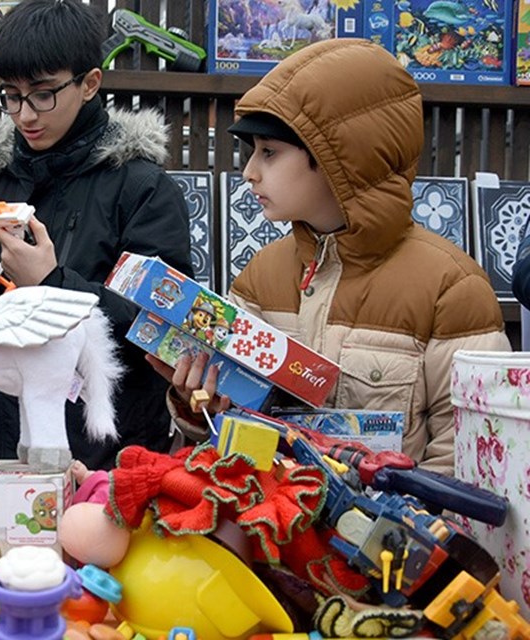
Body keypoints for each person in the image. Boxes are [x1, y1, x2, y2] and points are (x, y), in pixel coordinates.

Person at [152, 39, 511, 475]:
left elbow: (469, 458)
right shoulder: (260, 277)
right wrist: (199, 405)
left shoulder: (451, 286)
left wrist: (404, 531)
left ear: (341, 157)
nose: (249, 171)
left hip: (391, 538)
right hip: (270, 531)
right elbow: (228, 433)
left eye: (269, 152)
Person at [0, 0, 193, 469]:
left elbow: (160, 330)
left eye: (43, 93)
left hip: (105, 453)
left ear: (90, 83)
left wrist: (53, 285)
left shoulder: (144, 189)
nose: (25, 114)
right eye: (11, 95)